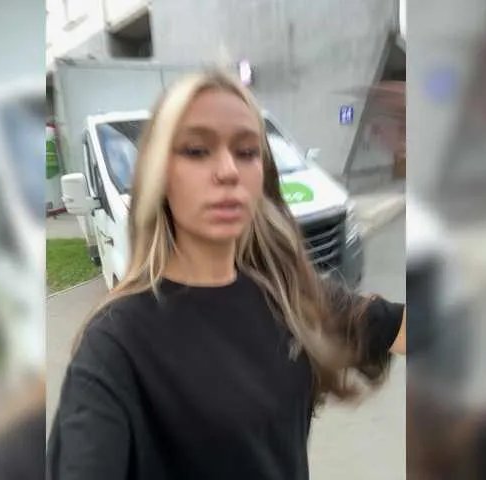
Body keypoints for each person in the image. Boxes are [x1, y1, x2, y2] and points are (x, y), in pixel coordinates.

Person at [46, 70, 406, 479]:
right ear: (159, 175)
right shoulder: (115, 343)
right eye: (197, 150)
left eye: (247, 151)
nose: (228, 170)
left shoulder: (290, 297)